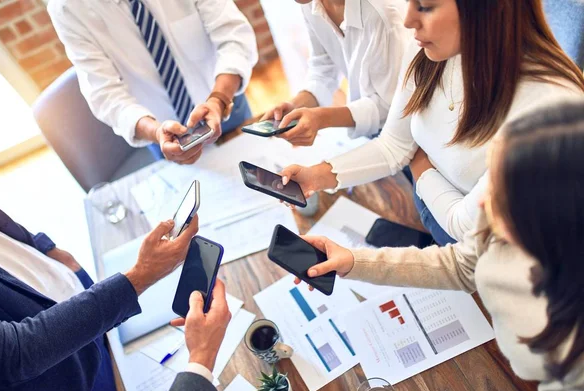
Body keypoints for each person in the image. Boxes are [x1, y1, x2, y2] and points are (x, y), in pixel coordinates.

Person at [295, 101, 584, 391]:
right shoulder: (500, 221)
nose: (481, 204)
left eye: (501, 193)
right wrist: (354, 261)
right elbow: (460, 264)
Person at [280, 0, 584, 245]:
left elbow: (466, 227)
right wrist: (315, 177)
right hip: (432, 210)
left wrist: (421, 168)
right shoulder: (432, 48)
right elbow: (394, 145)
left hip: (481, 251)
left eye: (424, 6)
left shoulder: (547, 107)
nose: (408, 18)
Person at [0, 201, 230, 391]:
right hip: (62, 375)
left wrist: (49, 249)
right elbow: (11, 354)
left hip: (83, 314)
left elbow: (0, 226)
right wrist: (201, 359)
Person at [48, 0, 258, 164]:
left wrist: (218, 99)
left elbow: (233, 37)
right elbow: (105, 94)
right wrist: (156, 132)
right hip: (160, 132)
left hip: (224, 103)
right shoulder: (67, 8)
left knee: (255, 172)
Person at [261, 0, 408, 145]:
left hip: (409, 138)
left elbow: (393, 106)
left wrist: (322, 118)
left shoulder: (384, 14)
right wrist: (295, 106)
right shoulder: (310, 4)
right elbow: (324, 65)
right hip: (369, 132)